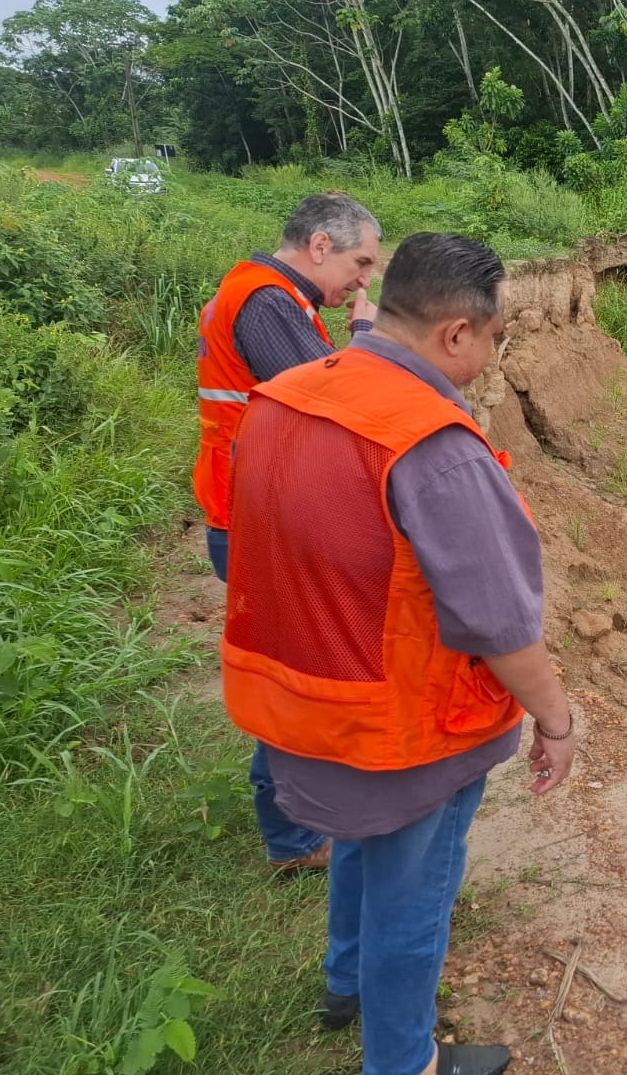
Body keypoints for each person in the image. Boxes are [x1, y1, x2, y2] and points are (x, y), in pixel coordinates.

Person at [221, 232, 573, 1075]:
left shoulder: (287, 394)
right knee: (413, 899)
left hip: (303, 699)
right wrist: (556, 721)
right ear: (455, 333)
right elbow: (501, 625)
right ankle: (405, 1060)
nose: (491, 355)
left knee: (358, 841)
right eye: (493, 337)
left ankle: (345, 983)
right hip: (406, 729)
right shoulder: (434, 448)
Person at [194, 191, 383, 873]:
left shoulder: (273, 298)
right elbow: (331, 404)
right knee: (293, 676)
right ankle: (295, 839)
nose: (363, 281)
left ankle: (302, 823)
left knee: (296, 667)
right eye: (360, 263)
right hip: (258, 515)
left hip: (255, 505)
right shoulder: (266, 302)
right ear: (321, 245)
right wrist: (366, 338)